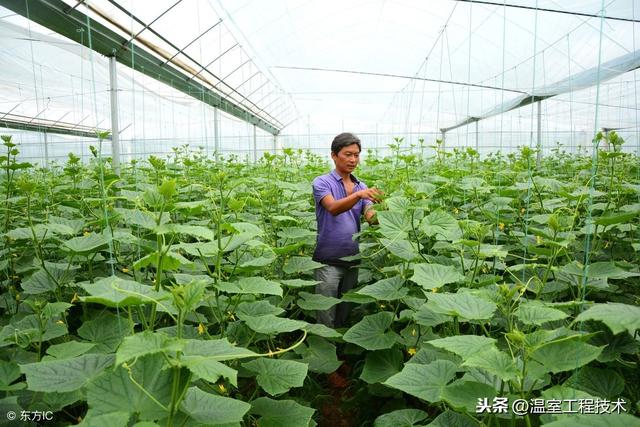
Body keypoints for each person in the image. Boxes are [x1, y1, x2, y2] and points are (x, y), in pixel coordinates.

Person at [311, 132, 382, 328]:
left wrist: (387, 211)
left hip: (352, 259)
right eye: (347, 154)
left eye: (356, 155)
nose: (353, 160)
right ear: (334, 155)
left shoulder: (361, 186)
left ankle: (341, 355)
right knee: (325, 316)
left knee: (345, 313)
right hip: (327, 260)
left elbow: (371, 218)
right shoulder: (322, 182)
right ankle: (325, 355)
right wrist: (359, 196)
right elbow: (333, 207)